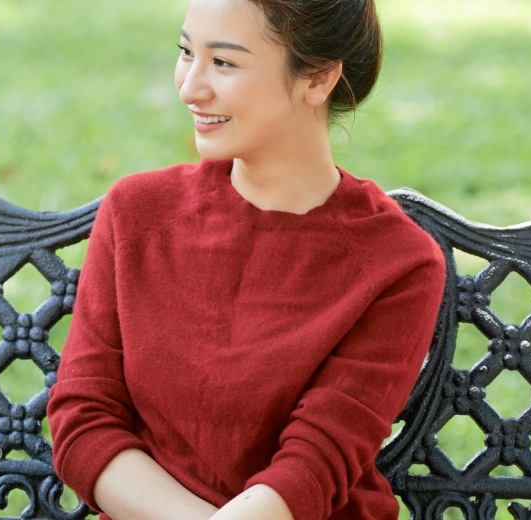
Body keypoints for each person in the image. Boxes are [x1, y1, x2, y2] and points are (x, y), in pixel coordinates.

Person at [45, 0, 447, 518]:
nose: (190, 86)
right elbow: (85, 423)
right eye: (187, 52)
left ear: (318, 79)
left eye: (224, 62)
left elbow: (311, 469)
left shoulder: (398, 265)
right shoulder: (137, 214)